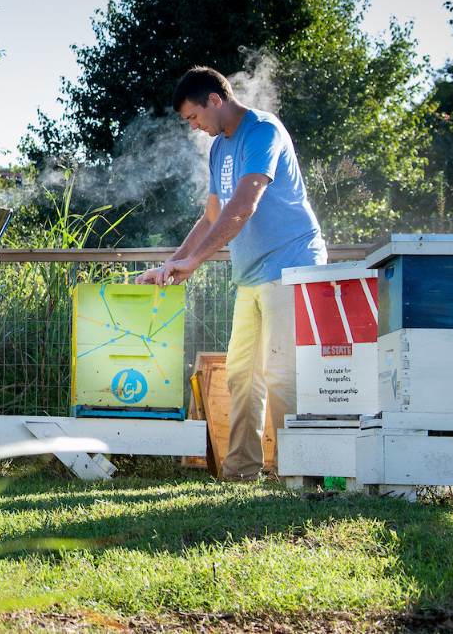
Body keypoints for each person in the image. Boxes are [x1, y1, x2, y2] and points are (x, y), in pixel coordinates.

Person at [136, 66, 326, 480]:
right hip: (252, 275)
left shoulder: (262, 131)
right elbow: (212, 215)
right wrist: (175, 262)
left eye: (194, 117)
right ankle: (241, 472)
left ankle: (297, 472)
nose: (195, 127)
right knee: (242, 374)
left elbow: (244, 204)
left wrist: (196, 261)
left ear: (215, 100)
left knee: (282, 373)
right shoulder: (219, 148)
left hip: (291, 263)